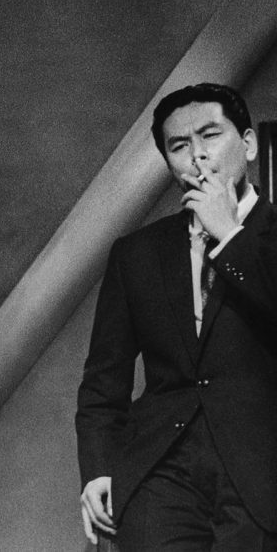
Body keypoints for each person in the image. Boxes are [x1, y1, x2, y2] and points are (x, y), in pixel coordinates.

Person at [77, 83, 277, 549]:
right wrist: (98, 469)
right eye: (179, 145)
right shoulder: (136, 253)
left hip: (262, 473)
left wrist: (229, 235)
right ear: (169, 163)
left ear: (248, 144)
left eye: (211, 135)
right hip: (159, 470)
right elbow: (103, 380)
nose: (198, 156)